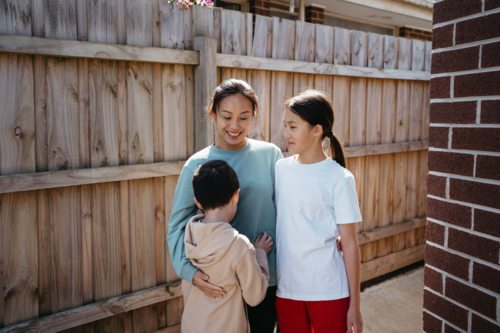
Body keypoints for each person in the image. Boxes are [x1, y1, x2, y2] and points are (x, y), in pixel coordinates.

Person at [167, 79, 283, 332]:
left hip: (265, 276)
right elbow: (176, 226)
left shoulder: (271, 155)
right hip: (218, 282)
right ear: (213, 114)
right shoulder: (196, 164)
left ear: (254, 116)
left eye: (244, 117)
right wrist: (190, 273)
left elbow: (289, 209)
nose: (234, 125)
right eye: (226, 116)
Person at [275, 89, 364, 333]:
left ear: (317, 130)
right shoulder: (280, 169)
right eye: (285, 126)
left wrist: (355, 305)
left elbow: (350, 243)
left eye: (293, 127)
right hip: (287, 289)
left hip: (329, 291)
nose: (286, 134)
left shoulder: (340, 178)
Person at [182, 160, 272, 333]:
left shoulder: (189, 233)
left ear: (198, 203)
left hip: (192, 326)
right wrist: (260, 254)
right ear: (236, 195)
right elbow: (254, 296)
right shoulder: (238, 245)